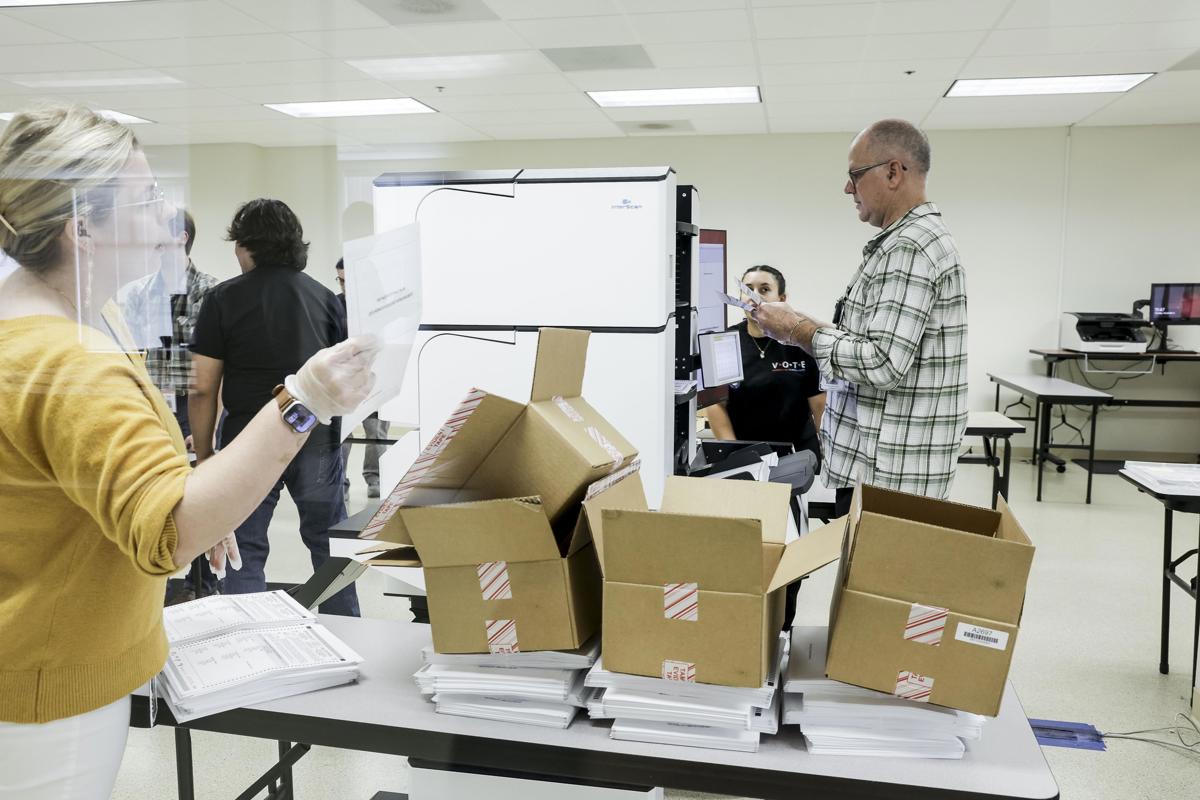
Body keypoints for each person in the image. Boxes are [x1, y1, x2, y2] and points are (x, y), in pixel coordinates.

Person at [0, 104, 377, 799]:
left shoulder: (48, 321)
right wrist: (305, 399)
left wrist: (202, 483)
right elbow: (172, 529)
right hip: (49, 686)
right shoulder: (70, 361)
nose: (166, 220)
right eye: (145, 202)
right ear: (81, 228)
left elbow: (99, 475)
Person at [752, 119, 968, 518]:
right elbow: (872, 341)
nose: (847, 188)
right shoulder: (905, 243)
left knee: (884, 578)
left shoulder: (910, 248)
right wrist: (802, 323)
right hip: (886, 471)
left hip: (891, 479)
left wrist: (798, 331)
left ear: (892, 172)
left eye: (854, 175)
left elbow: (882, 363)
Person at [189, 199, 360, 616]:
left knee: (243, 547)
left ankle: (250, 643)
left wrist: (207, 458)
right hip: (316, 437)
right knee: (329, 544)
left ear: (247, 246)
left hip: (248, 440)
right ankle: (350, 634)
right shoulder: (324, 299)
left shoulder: (222, 299)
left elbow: (202, 388)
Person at [118, 209, 223, 601]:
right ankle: (159, 591)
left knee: (203, 499)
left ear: (180, 237)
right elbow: (128, 356)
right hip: (151, 406)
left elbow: (221, 370)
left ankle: (207, 588)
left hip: (199, 406)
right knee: (159, 499)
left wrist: (207, 429)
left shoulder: (214, 292)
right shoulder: (137, 293)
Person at [706, 264, 826, 470]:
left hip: (799, 453)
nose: (754, 297)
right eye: (747, 289)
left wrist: (828, 452)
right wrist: (734, 457)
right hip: (745, 454)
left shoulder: (800, 343)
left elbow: (819, 406)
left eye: (764, 289)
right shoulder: (723, 342)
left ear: (781, 300)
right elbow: (715, 404)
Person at [336, 257, 391, 502]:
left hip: (375, 379)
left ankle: (375, 477)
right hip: (343, 381)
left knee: (377, 432)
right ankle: (340, 482)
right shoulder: (334, 305)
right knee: (341, 434)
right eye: (340, 281)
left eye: (349, 281)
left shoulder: (379, 308)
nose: (344, 287)